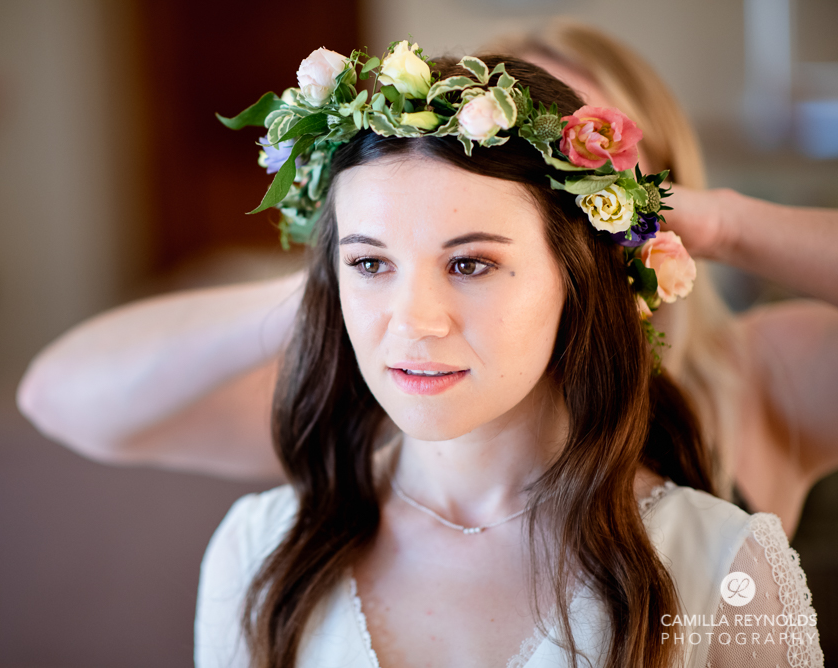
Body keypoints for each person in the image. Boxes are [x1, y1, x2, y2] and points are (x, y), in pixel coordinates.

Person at [17, 22, 838, 540]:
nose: (543, 184)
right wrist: (354, 277)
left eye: (584, 152)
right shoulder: (407, 397)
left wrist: (721, 221)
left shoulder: (760, 379)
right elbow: (59, 395)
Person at [191, 48, 821, 667]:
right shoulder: (259, 549)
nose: (414, 321)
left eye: (471, 264)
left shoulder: (715, 566)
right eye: (370, 263)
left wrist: (721, 224)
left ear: (577, 279)